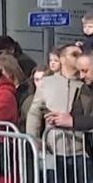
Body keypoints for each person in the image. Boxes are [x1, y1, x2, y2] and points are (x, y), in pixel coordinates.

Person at [27, 44, 91, 177]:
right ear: (62, 59)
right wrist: (34, 139)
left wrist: (73, 121)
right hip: (53, 149)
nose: (79, 57)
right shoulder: (47, 82)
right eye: (74, 54)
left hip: (82, 151)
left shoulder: (87, 83)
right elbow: (35, 112)